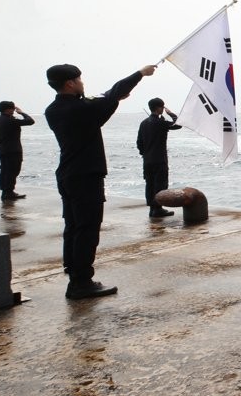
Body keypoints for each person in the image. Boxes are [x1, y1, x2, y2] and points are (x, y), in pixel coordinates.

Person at [45, 63, 158, 300]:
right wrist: (140, 74)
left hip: (68, 175)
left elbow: (106, 97)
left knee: (73, 227)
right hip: (86, 175)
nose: (82, 83)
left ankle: (74, 275)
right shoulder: (79, 110)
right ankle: (82, 283)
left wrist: (115, 97)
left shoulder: (53, 109)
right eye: (79, 79)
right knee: (87, 229)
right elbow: (111, 95)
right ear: (69, 83)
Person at [137, 98, 182, 218]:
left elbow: (139, 143)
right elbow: (178, 125)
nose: (163, 109)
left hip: (147, 160)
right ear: (158, 108)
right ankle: (158, 208)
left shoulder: (144, 123)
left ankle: (152, 208)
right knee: (160, 184)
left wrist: (145, 153)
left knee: (150, 184)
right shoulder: (160, 123)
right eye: (162, 107)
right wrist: (171, 114)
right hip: (159, 159)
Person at [0, 101, 35, 200]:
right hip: (13, 150)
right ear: (9, 109)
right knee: (13, 171)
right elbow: (30, 121)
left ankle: (5, 192)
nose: (14, 111)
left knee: (5, 170)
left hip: (2, 149)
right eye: (13, 108)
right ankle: (9, 192)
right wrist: (21, 113)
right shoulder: (10, 120)